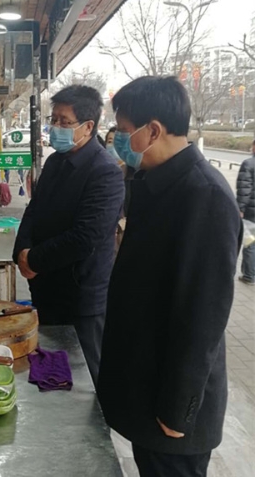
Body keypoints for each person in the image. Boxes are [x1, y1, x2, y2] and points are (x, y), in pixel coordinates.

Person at [97, 76, 242, 477]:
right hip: (145, 382)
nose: (118, 140)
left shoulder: (204, 196)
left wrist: (178, 410)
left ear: (153, 130)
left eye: (123, 130)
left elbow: (203, 316)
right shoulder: (154, 181)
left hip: (170, 403)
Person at [12, 85, 125, 383]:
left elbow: (85, 237)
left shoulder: (105, 172)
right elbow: (34, 210)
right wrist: (21, 252)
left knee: (82, 377)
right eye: (54, 120)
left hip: (79, 297)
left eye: (65, 121)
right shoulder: (54, 162)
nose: (56, 127)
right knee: (50, 370)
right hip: (45, 288)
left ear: (88, 126)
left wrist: (34, 260)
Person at [236, 139, 255, 285]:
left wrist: (240, 209)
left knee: (250, 242)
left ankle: (249, 275)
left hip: (251, 212)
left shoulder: (249, 164)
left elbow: (244, 189)